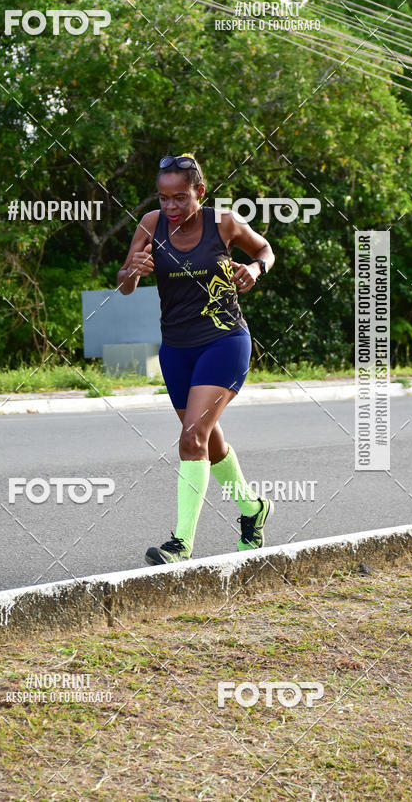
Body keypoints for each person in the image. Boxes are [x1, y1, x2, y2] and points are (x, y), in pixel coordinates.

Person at [117, 153, 275, 565]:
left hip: (225, 342)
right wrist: (132, 270)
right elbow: (125, 285)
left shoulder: (222, 223)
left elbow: (264, 249)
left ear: (199, 193)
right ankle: (253, 509)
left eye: (180, 198)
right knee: (206, 437)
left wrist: (255, 270)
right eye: (164, 198)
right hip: (176, 349)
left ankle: (180, 544)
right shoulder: (150, 225)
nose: (171, 207)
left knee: (191, 438)